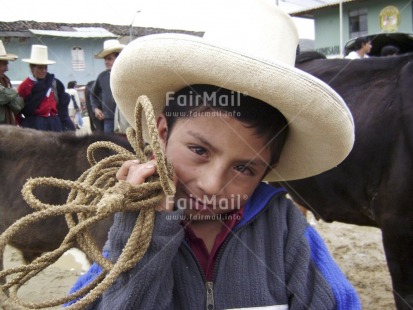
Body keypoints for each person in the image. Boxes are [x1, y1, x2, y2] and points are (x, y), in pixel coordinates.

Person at [69, 1, 361, 309]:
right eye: (199, 150)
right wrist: (143, 242)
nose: (211, 185)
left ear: (267, 171)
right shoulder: (131, 227)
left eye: (245, 169)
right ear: (163, 134)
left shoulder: (286, 232)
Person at [17, 45, 75, 132]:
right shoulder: (24, 86)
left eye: (45, 67)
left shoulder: (54, 83)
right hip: (35, 124)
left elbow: (62, 104)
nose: (44, 70)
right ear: (32, 68)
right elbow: (18, 109)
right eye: (40, 67)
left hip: (54, 123)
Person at [91, 39, 129, 133]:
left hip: (126, 119)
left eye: (109, 59)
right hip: (108, 120)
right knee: (109, 145)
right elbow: (92, 94)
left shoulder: (128, 75)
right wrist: (95, 108)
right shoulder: (102, 76)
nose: (106, 62)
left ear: (118, 58)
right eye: (105, 59)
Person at [0, 40, 24, 125]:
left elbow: (18, 106)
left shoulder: (5, 80)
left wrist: (10, 94)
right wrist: (15, 91)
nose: (7, 69)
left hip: (7, 130)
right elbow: (3, 95)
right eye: (4, 64)